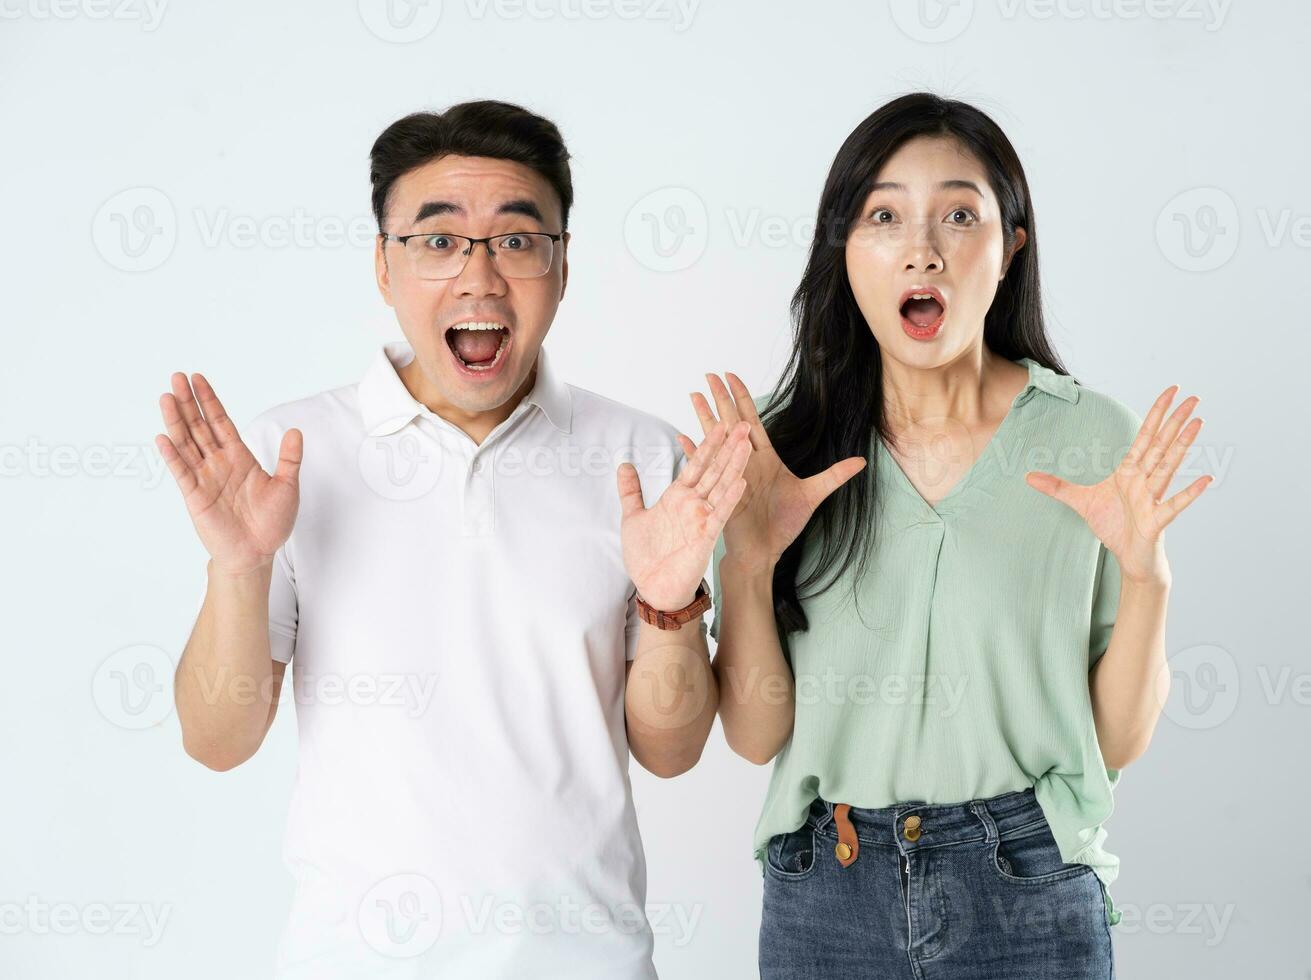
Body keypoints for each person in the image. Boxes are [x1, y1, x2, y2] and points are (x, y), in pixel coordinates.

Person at [154, 100, 748, 978]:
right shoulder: (289, 456)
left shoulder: (641, 456)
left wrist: (668, 604)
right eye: (438, 241)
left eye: (516, 240)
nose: (480, 277)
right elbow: (218, 739)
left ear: (562, 264)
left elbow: (672, 750)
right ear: (383, 268)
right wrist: (240, 566)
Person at [700, 92, 1211, 979]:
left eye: (960, 214)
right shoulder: (780, 452)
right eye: (884, 215)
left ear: (1011, 245)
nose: (922, 247)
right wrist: (747, 565)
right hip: (828, 890)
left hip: (1029, 885)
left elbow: (1117, 743)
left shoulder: (1090, 439)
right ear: (845, 250)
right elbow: (753, 737)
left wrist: (1146, 579)